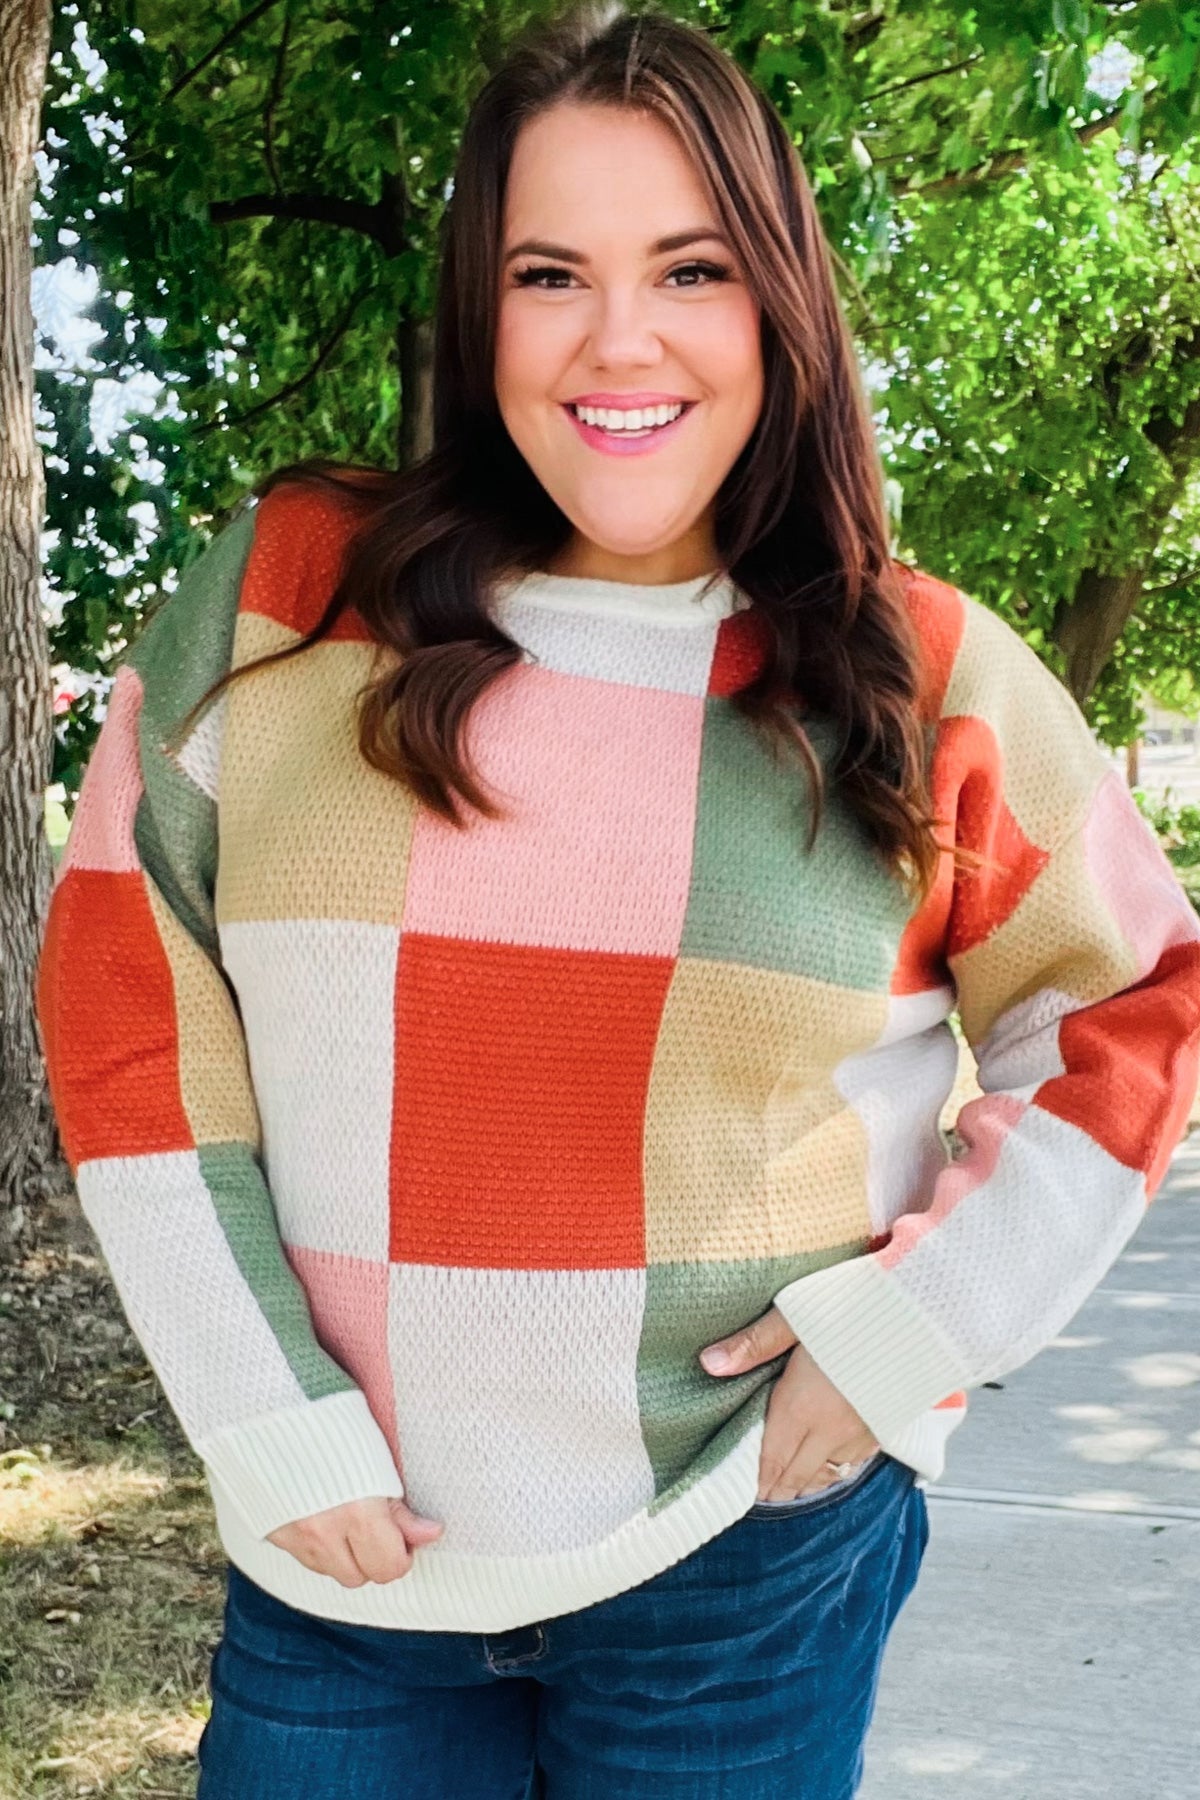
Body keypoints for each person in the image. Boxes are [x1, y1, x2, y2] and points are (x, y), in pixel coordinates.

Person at [34, 4, 1200, 1797]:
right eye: (549, 273)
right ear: (475, 311)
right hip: (349, 1560)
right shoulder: (286, 599)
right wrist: (261, 1414)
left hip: (746, 1551)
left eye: (691, 268)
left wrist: (907, 1338)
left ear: (780, 303)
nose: (620, 338)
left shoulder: (926, 669)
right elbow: (132, 1012)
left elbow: (1130, 1007)